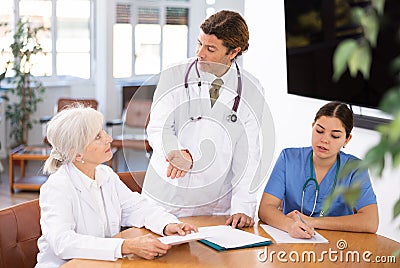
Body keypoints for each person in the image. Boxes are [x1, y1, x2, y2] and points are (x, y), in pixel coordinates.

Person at [142, 10, 265, 228]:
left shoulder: (252, 89)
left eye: (210, 48)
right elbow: (158, 126)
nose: (200, 53)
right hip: (168, 198)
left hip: (215, 204)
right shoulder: (174, 74)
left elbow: (249, 154)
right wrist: (174, 151)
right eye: (199, 44)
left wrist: (242, 206)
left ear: (233, 52)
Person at [36, 105, 197, 267]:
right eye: (97, 137)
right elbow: (63, 243)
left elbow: (137, 208)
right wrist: (125, 246)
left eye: (103, 131)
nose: (109, 139)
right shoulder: (57, 188)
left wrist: (168, 224)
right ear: (77, 154)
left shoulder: (105, 175)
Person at [259, 102, 378, 239]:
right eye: (319, 131)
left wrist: (312, 222)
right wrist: (289, 225)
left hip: (339, 247)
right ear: (312, 127)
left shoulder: (355, 169)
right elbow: (266, 208)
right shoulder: (288, 158)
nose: (324, 140)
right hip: (293, 243)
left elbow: (371, 221)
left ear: (347, 139)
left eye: (335, 136)